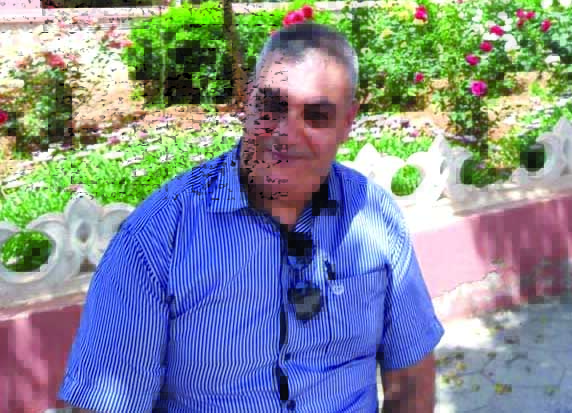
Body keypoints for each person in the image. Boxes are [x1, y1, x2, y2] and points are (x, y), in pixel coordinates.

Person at [58, 21, 445, 413]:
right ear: (248, 101)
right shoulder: (160, 235)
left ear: (347, 122)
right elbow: (104, 403)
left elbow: (411, 378)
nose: (286, 133)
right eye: (272, 106)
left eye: (316, 115)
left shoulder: (374, 216)